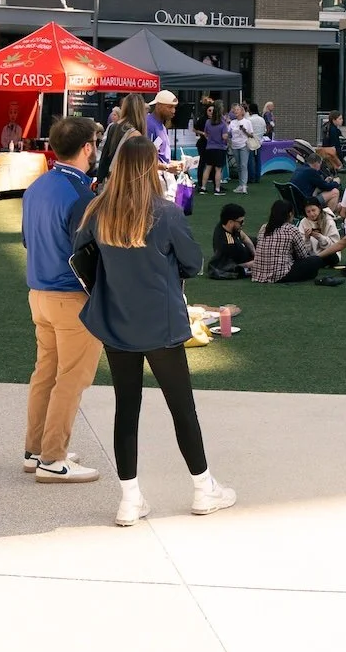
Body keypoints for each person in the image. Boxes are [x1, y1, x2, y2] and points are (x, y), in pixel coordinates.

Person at [74, 135, 234, 524]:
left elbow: (81, 257)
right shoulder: (165, 212)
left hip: (116, 320)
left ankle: (129, 498)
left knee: (126, 409)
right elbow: (193, 262)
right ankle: (203, 487)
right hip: (160, 322)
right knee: (182, 408)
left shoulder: (97, 211)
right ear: (149, 168)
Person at [19, 116, 103, 483]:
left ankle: (37, 450)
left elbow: (27, 239)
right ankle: (52, 459)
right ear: (87, 147)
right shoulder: (81, 195)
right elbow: (91, 252)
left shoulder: (37, 187)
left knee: (47, 374)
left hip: (39, 294)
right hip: (71, 297)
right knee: (71, 378)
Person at [97, 94, 147, 181]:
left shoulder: (113, 126)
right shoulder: (135, 133)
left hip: (111, 179)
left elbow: (105, 155)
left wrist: (99, 179)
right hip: (125, 182)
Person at [209, 203, 255, 278]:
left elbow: (243, 236)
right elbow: (235, 266)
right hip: (245, 260)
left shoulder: (223, 226)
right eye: (241, 222)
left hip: (249, 252)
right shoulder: (229, 245)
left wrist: (255, 253)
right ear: (230, 222)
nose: (243, 224)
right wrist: (256, 262)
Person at [195, 102, 227, 195]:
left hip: (209, 147)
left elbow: (206, 134)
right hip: (220, 148)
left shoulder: (208, 122)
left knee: (207, 168)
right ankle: (217, 189)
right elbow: (224, 136)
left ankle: (203, 187)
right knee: (218, 169)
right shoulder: (223, 123)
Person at [241, 102, 267, 186]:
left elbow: (247, 131)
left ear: (250, 110)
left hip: (250, 141)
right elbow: (265, 130)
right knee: (258, 160)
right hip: (259, 141)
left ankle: (251, 177)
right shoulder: (262, 119)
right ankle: (257, 177)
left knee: (250, 160)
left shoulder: (249, 120)